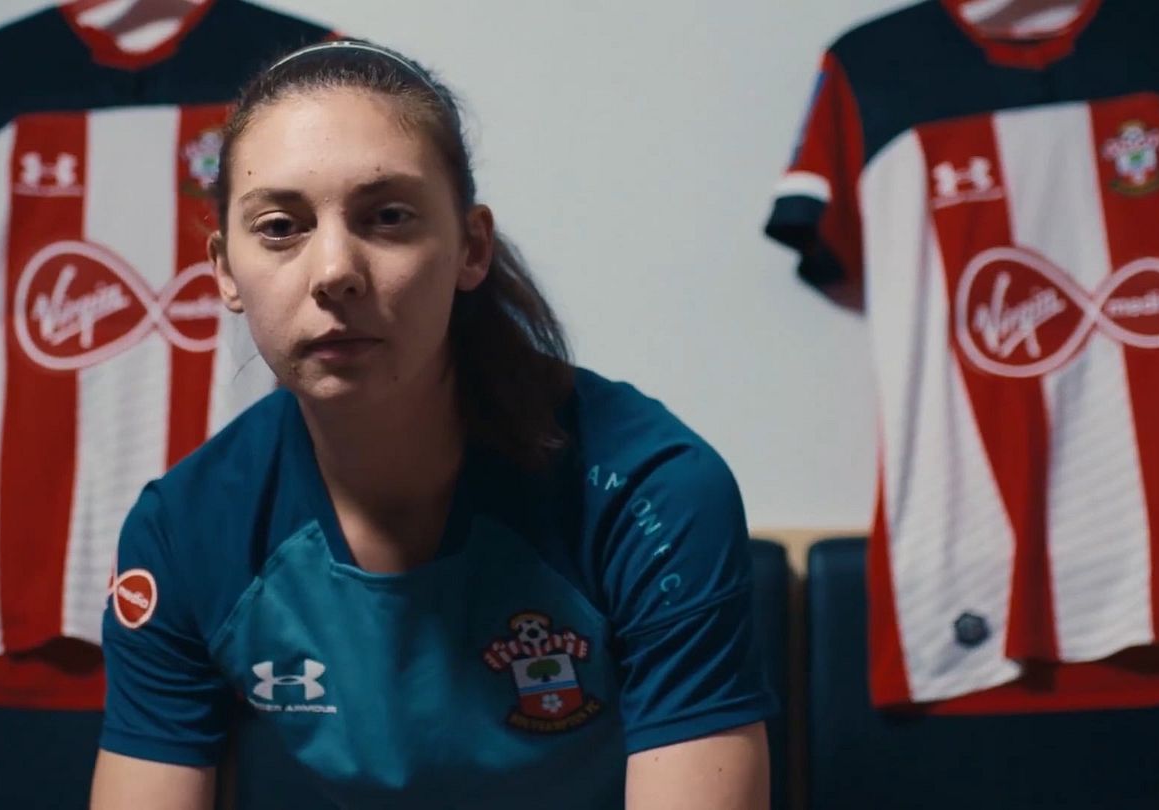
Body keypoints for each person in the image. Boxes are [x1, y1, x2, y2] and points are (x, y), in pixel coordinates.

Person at [89, 39, 773, 810]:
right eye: (280, 226)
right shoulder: (184, 531)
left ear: (470, 248)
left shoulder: (650, 496)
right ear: (224, 271)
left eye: (387, 217)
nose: (334, 271)